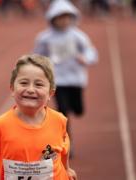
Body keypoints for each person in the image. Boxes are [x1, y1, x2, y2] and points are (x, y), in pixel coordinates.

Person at [0, 54, 77, 180]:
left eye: (39, 85)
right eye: (24, 83)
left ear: (50, 93)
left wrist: (67, 168)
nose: (30, 89)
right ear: (12, 89)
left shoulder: (59, 120)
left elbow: (63, 148)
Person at [33, 0, 98, 158]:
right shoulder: (45, 38)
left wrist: (86, 58)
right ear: (53, 18)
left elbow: (91, 51)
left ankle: (75, 110)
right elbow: (36, 55)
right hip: (57, 80)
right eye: (60, 17)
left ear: (72, 18)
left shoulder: (78, 35)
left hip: (76, 79)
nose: (63, 21)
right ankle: (68, 145)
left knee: (78, 110)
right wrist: (40, 66)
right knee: (63, 114)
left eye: (66, 17)